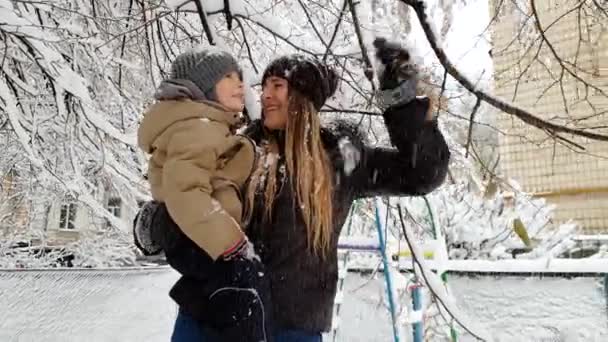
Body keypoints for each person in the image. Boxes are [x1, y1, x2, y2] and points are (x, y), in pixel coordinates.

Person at [135, 38, 450, 342]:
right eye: (264, 87)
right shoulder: (241, 147)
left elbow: (423, 174)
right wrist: (157, 224)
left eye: (277, 86)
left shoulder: (342, 160)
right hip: (214, 314)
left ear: (301, 96)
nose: (265, 96)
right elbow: (185, 191)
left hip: (295, 325)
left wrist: (402, 99)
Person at [134, 46, 271, 341]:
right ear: (203, 87)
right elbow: (186, 191)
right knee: (244, 306)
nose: (240, 84)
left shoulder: (208, 127)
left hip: (201, 241)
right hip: (208, 242)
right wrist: (233, 245)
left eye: (240, 77)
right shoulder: (199, 127)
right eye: (228, 76)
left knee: (216, 308)